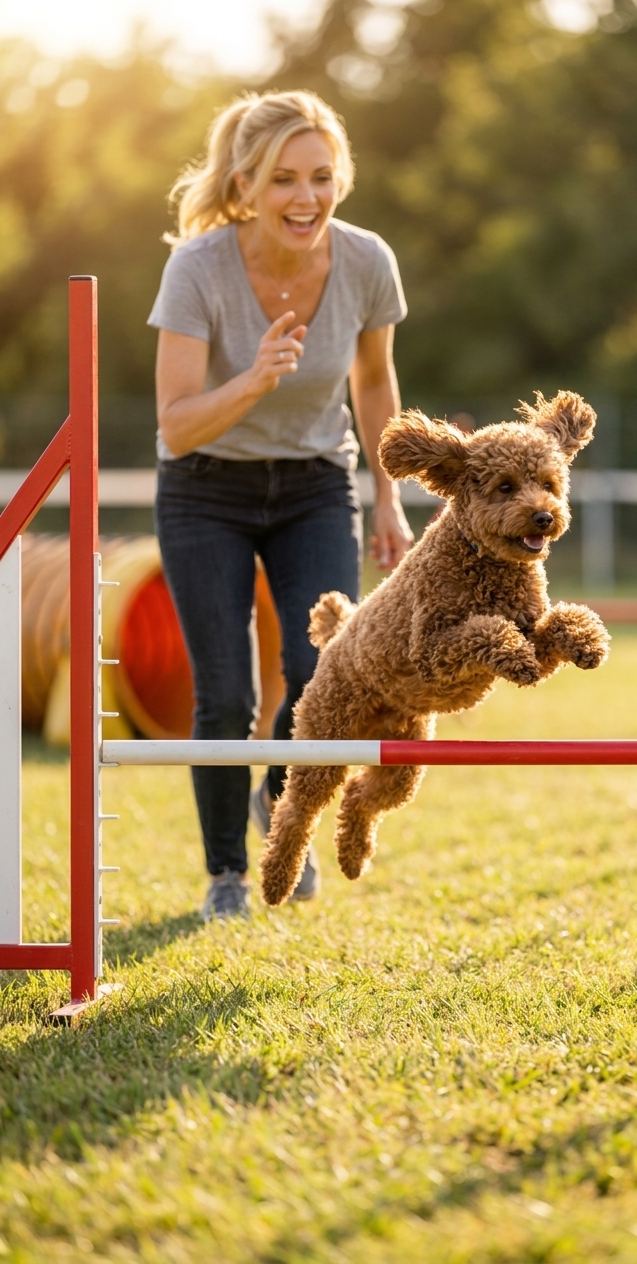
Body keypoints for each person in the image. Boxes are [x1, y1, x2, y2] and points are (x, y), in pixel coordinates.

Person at [148, 90, 414, 921]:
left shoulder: (367, 260)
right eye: (284, 180)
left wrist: (387, 496)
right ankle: (227, 871)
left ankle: (279, 807)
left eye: (321, 177)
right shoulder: (198, 268)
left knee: (320, 670)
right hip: (205, 491)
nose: (306, 198)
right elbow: (178, 425)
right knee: (225, 693)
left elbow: (372, 383)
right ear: (246, 184)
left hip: (311, 483)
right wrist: (256, 379)